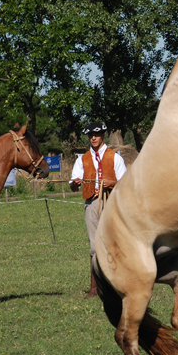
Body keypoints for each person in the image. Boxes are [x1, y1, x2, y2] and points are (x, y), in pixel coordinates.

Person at [69, 122, 127, 298]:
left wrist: (113, 183)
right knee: (94, 247)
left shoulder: (115, 157)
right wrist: (75, 183)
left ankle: (118, 285)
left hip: (112, 203)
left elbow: (125, 185)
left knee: (114, 244)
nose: (93, 138)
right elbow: (73, 186)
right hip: (92, 204)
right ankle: (95, 288)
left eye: (97, 134)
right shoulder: (82, 159)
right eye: (90, 135)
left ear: (102, 135)